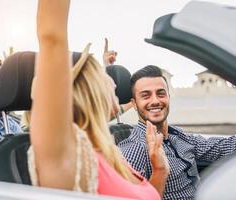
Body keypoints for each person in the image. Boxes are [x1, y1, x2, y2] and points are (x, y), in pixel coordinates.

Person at [28, 0, 169, 199]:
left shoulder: (109, 152)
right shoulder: (68, 154)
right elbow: (52, 37)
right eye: (104, 75)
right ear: (89, 90)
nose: (115, 82)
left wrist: (160, 171)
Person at [118, 65, 236, 200]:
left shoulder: (180, 137)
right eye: (146, 95)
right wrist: (159, 170)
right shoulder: (133, 149)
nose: (155, 100)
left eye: (161, 93)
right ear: (135, 104)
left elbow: (225, 146)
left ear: (168, 96)